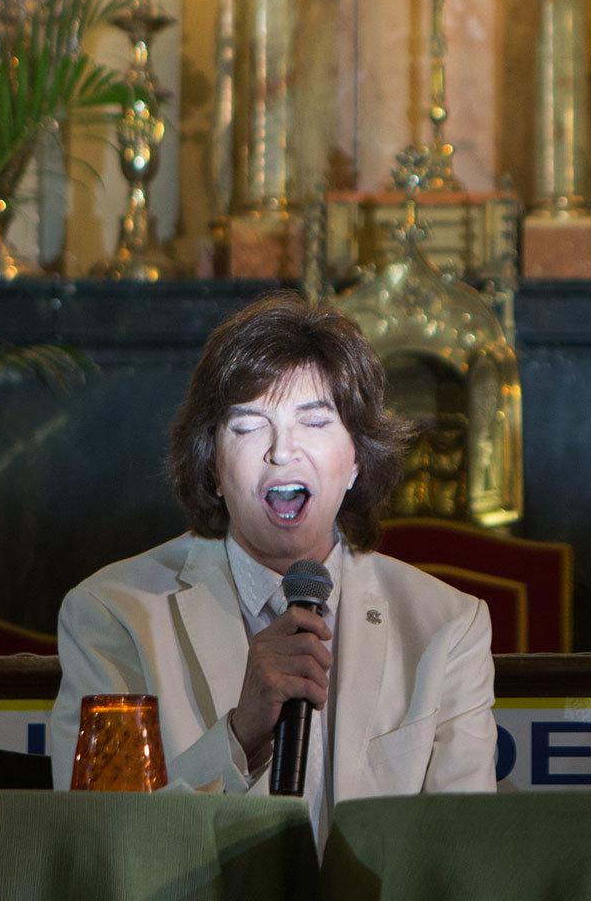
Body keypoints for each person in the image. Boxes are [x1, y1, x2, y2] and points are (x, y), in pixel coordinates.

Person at [51, 292, 496, 846]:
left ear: (356, 458)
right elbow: (100, 844)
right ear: (211, 464)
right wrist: (240, 734)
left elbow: (462, 851)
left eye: (313, 422)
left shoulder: (447, 626)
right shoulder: (112, 614)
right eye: (248, 426)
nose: (282, 452)